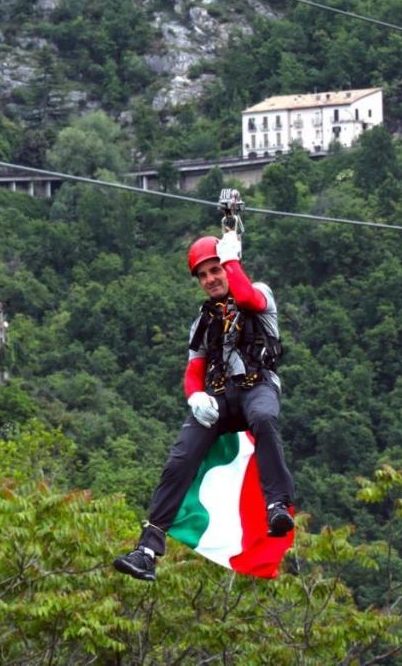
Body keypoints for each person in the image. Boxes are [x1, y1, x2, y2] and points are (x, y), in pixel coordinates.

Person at [113, 231, 295, 582]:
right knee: (180, 458)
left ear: (228, 268)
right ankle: (148, 548)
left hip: (258, 386)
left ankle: (277, 505)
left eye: (216, 270)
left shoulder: (260, 294)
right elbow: (194, 371)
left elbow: (246, 298)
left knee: (264, 417)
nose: (211, 279)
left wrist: (231, 259)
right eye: (204, 274)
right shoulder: (203, 322)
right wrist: (195, 397)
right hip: (220, 398)